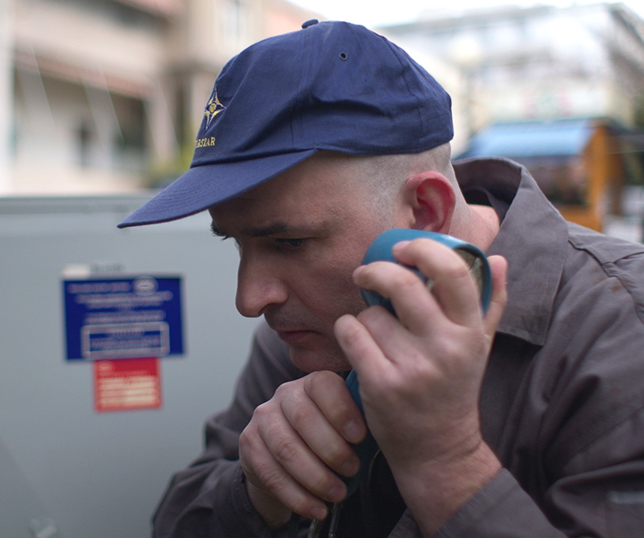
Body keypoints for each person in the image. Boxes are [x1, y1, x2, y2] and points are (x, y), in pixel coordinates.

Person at [118, 20, 644, 538]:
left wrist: (445, 461)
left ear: (425, 211)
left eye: (289, 243)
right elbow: (177, 519)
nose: (251, 299)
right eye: (236, 242)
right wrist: (257, 491)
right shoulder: (311, 329)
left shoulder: (621, 330)